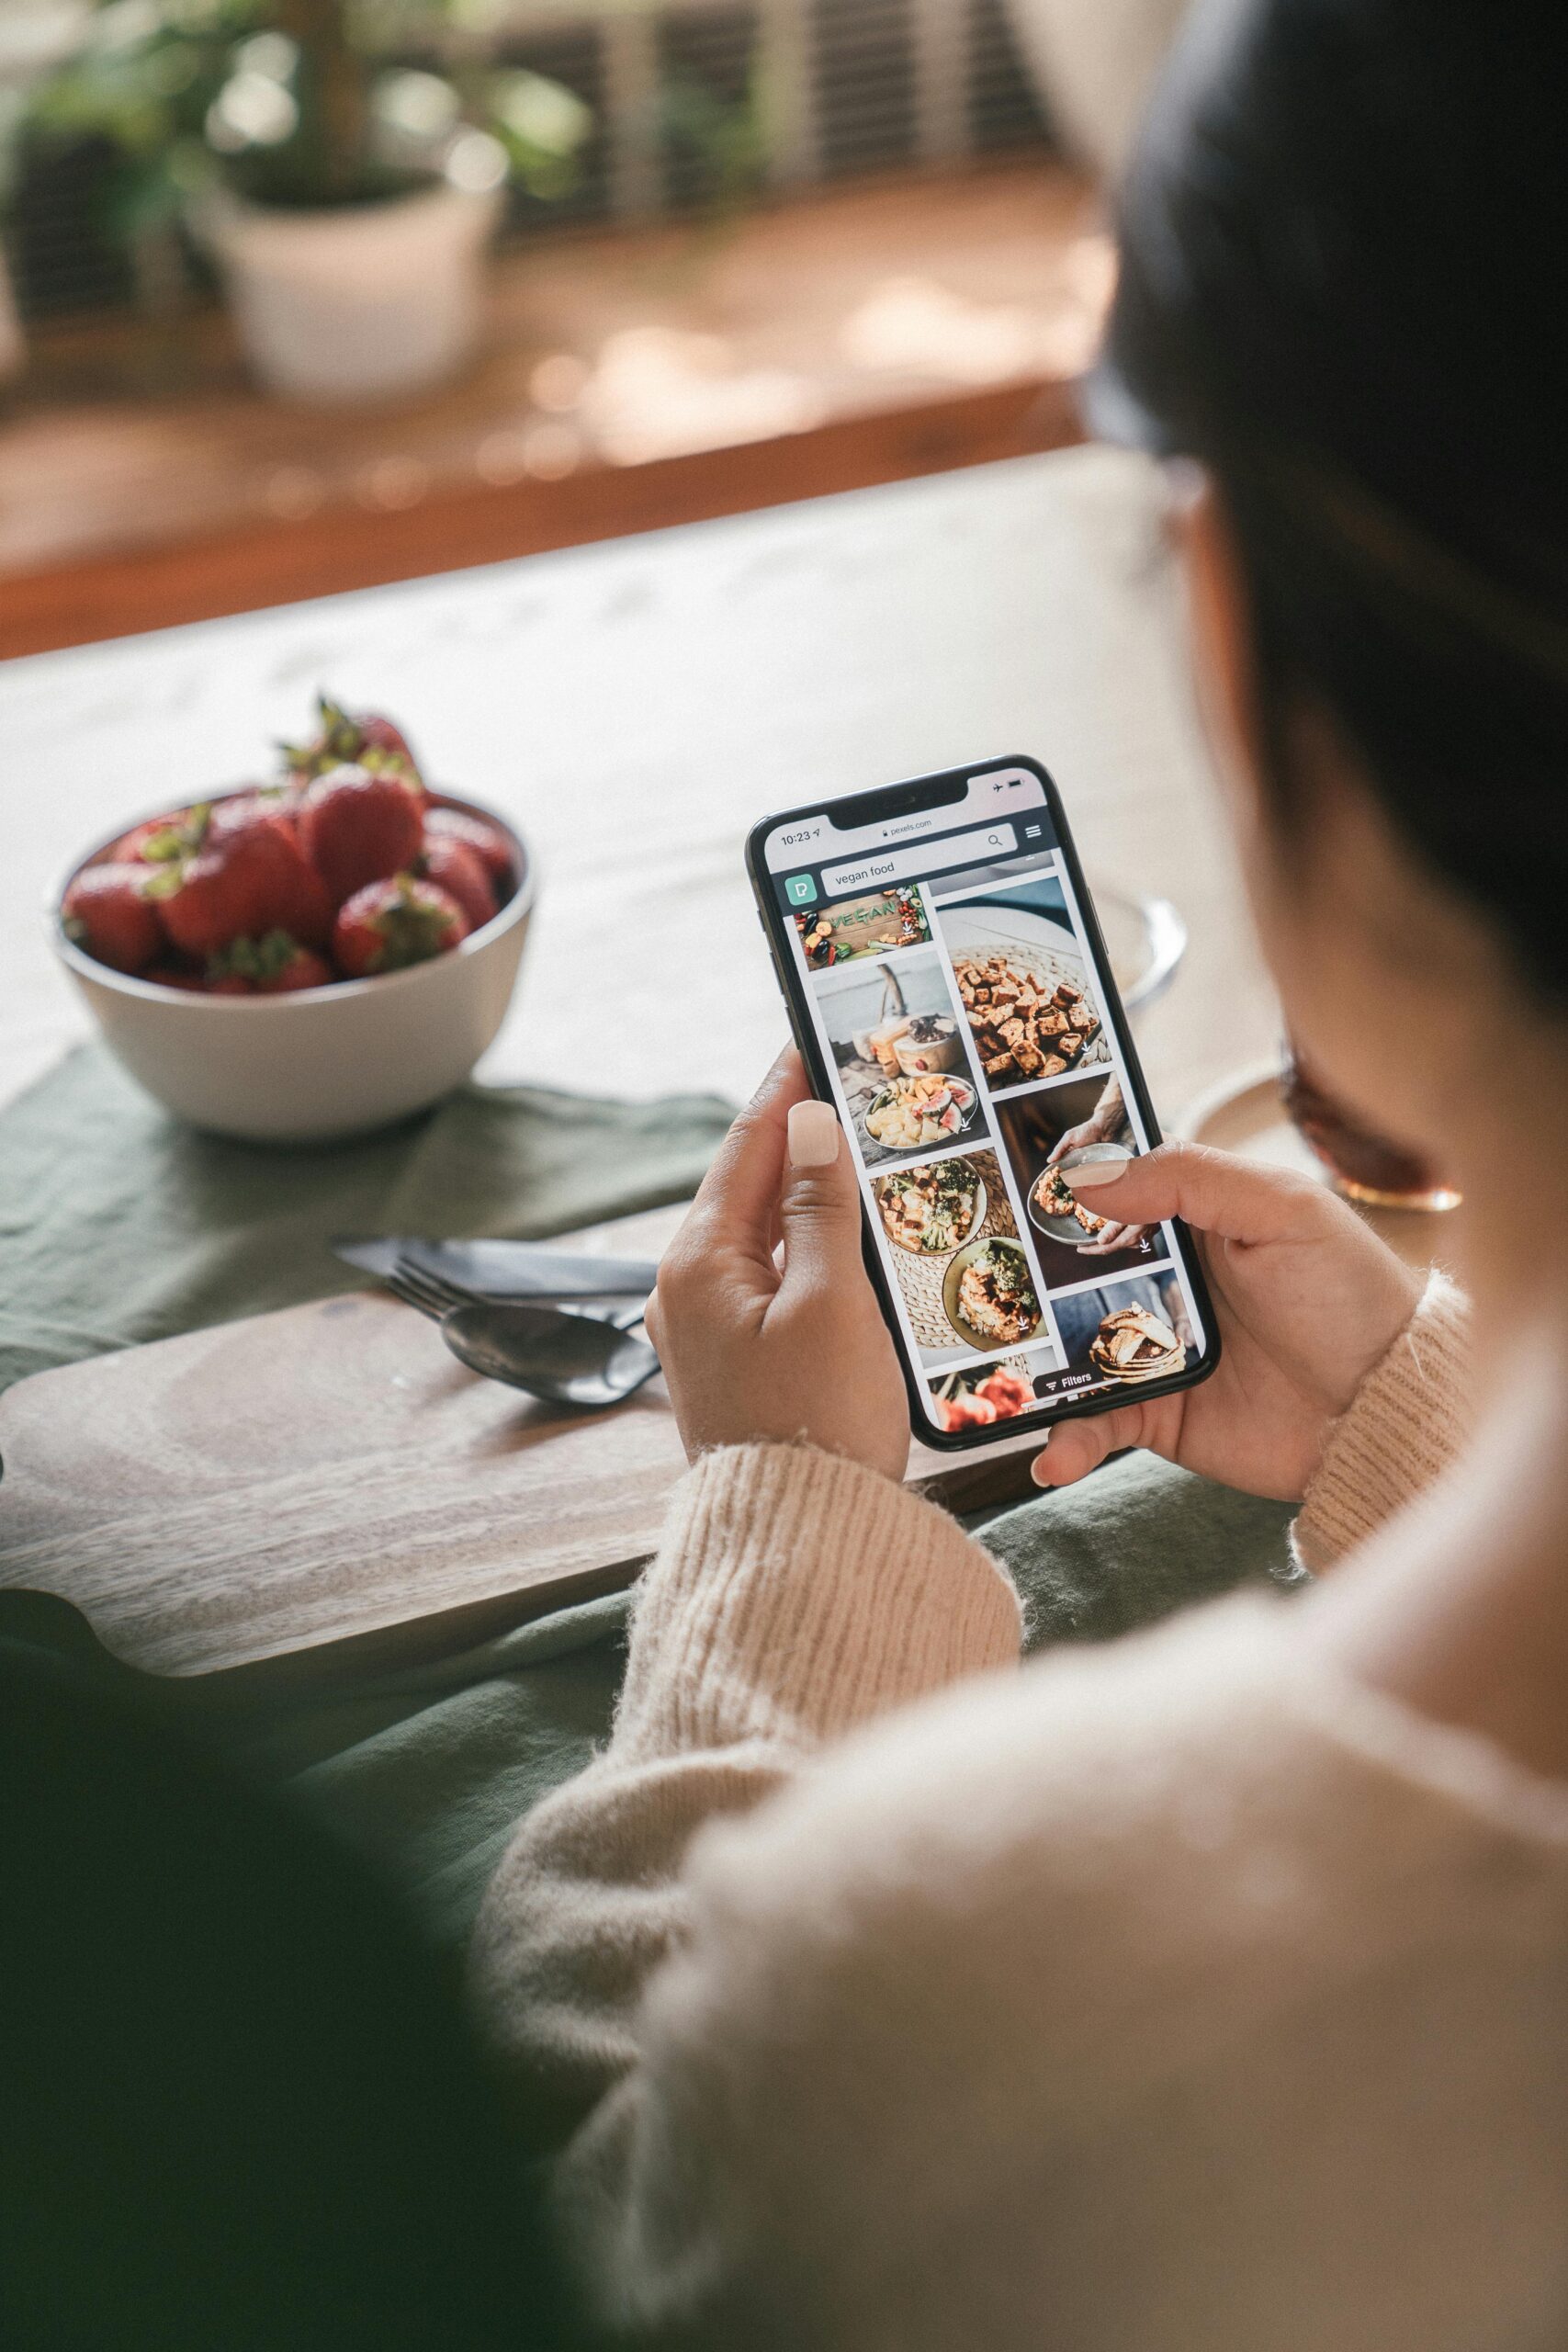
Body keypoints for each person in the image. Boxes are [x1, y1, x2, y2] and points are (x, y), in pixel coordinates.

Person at [471, 2, 1568, 2343]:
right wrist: (1426, 1427)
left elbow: (579, 2223)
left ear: (1226, 615)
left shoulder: (987, 1985)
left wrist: (783, 1540)